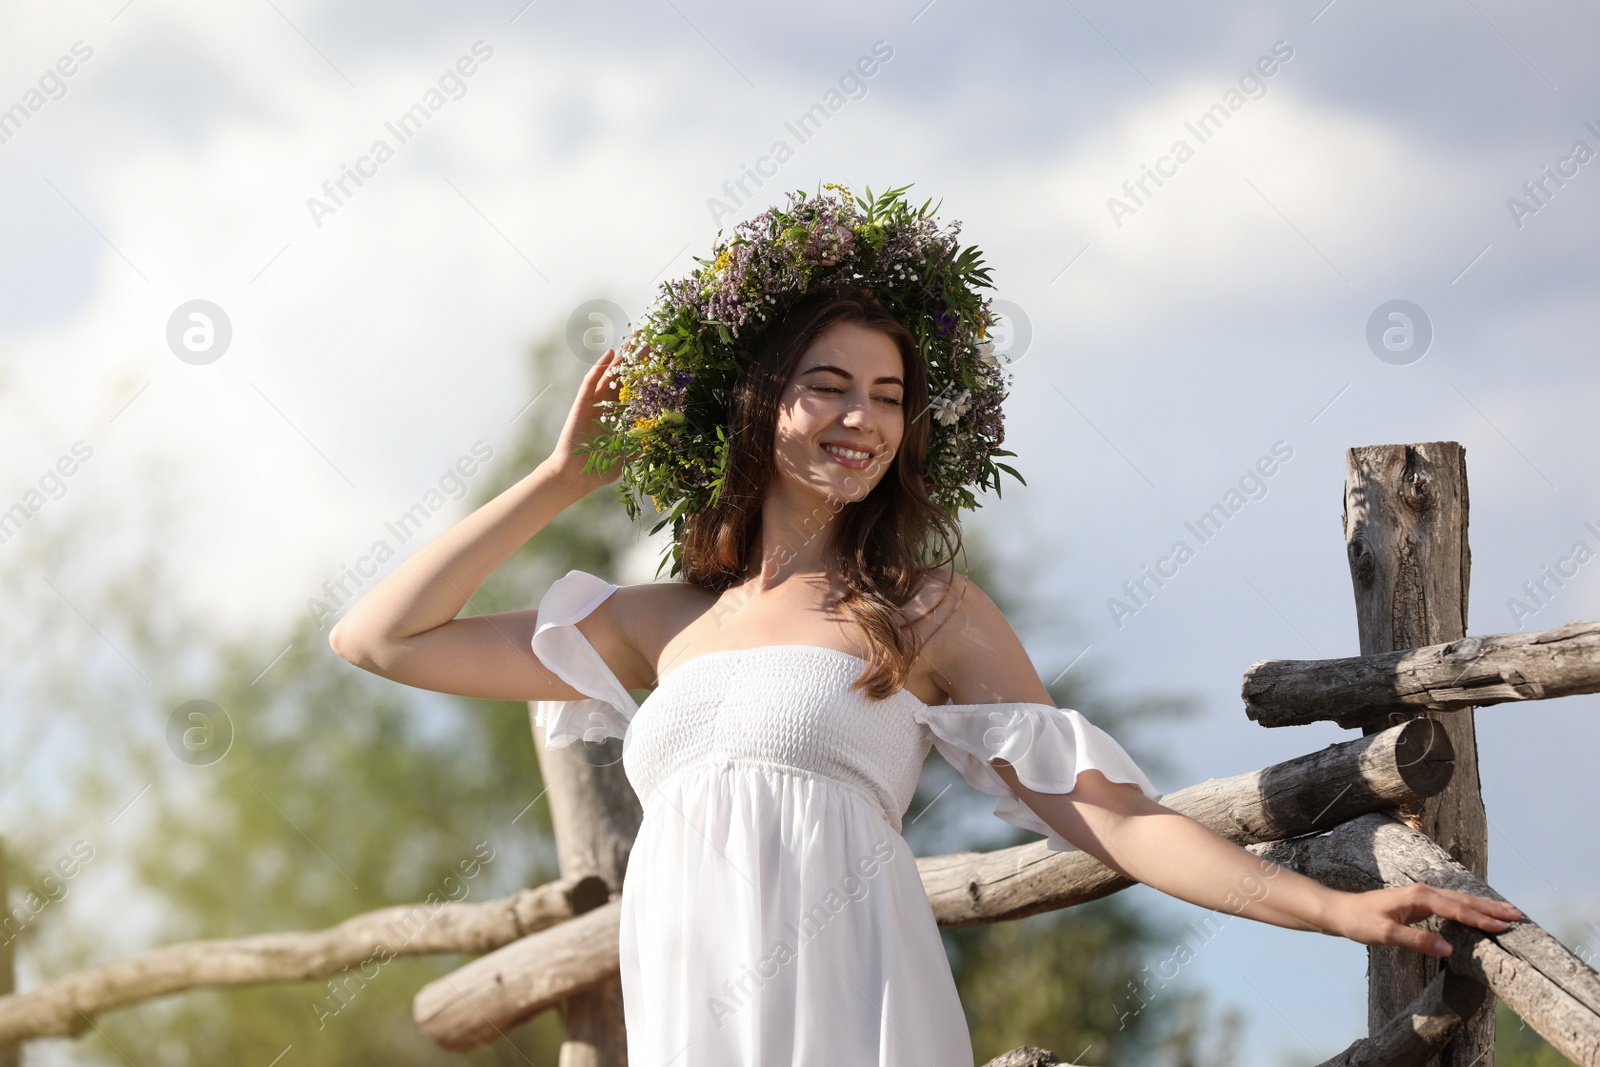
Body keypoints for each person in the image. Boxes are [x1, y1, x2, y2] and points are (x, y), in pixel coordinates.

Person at [329, 195, 1520, 1065]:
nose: (862, 418)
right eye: (829, 385)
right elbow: (379, 638)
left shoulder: (920, 615)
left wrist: (1333, 906)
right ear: (758, 406)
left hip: (854, 1003)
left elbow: (1119, 820)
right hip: (691, 1014)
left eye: (889, 396)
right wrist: (557, 477)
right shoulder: (660, 624)